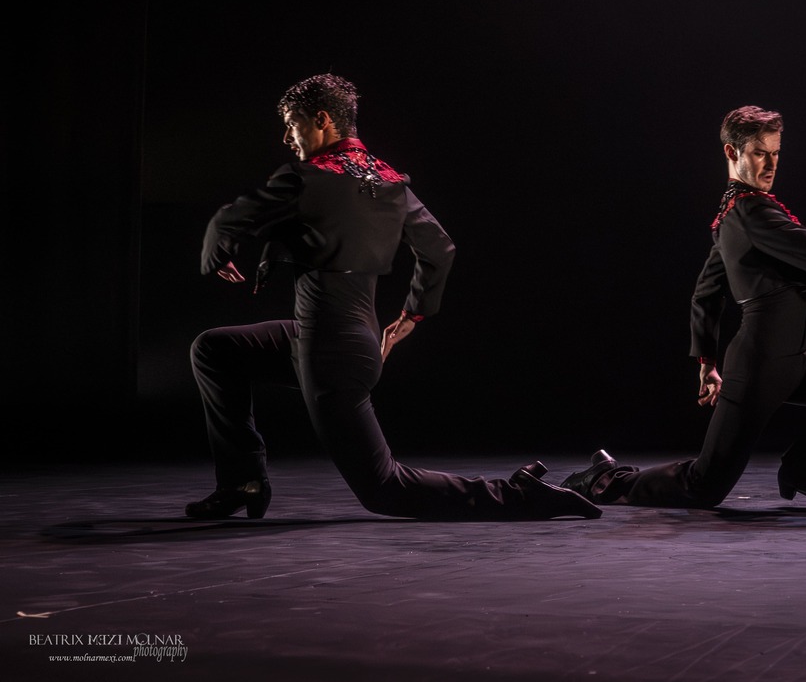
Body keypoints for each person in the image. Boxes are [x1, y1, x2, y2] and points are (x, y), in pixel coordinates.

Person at [185, 72, 599, 521]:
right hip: (347, 340)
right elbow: (440, 249)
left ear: (322, 120)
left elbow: (226, 221)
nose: (287, 137)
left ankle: (520, 494)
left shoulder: (305, 178)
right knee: (216, 349)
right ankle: (242, 480)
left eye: (292, 124)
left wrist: (218, 254)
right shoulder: (389, 181)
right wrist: (412, 315)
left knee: (384, 487)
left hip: (328, 351)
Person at [560, 105, 806, 511]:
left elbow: (706, 292)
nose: (771, 162)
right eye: (761, 152)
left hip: (801, 357)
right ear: (732, 153)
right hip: (760, 368)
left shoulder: (734, 214)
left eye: (777, 152)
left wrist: (706, 361)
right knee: (702, 487)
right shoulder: (749, 212)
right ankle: (607, 478)